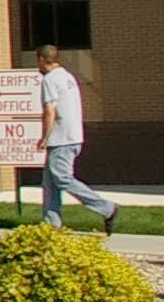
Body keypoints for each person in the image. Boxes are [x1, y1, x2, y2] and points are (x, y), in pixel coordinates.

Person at [35, 43, 117, 235]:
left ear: (40, 59)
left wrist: (44, 137)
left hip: (61, 138)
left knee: (62, 178)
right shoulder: (68, 76)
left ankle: (107, 208)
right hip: (73, 136)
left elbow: (49, 111)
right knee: (50, 183)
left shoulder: (50, 80)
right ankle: (50, 226)